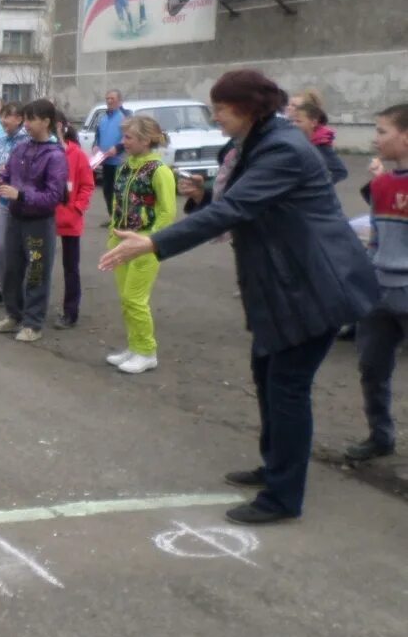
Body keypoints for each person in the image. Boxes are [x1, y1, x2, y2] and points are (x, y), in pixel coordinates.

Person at [100, 70, 378, 525]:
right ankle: (273, 467)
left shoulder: (283, 148)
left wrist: (155, 242)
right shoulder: (260, 141)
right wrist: (204, 194)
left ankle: (284, 496)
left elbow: (238, 208)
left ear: (248, 109)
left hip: (314, 285)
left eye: (221, 111)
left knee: (287, 388)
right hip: (283, 284)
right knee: (268, 375)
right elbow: (239, 200)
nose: (216, 120)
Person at [344, 104, 408, 463]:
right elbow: (377, 237)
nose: (375, 138)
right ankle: (380, 436)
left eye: (383, 131)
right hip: (378, 292)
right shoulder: (381, 185)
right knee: (372, 368)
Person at [0, 98, 68, 342]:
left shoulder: (55, 156)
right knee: (11, 269)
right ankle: (14, 315)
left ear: (46, 122)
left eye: (32, 119)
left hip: (39, 223)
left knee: (36, 273)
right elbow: (8, 175)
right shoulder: (20, 149)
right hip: (15, 217)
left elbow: (54, 196)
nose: (27, 124)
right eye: (26, 118)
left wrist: (20, 194)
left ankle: (33, 323)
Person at [104, 116, 175, 372]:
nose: (124, 142)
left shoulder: (159, 170)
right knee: (126, 299)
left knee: (135, 299)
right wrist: (113, 232)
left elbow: (168, 211)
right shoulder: (124, 167)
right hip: (121, 242)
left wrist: (151, 240)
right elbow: (116, 202)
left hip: (145, 243)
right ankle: (134, 346)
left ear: (146, 140)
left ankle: (147, 351)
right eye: (124, 137)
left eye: (129, 138)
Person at [54, 111, 94, 329]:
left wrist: (77, 208)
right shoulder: (43, 151)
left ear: (60, 125)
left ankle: (71, 311)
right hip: (44, 218)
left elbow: (87, 185)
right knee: (38, 263)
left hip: (70, 220)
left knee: (70, 267)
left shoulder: (76, 154)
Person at [0, 102, 25, 307]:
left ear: (19, 119)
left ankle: (22, 294)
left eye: (7, 116)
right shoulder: (0, 141)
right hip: (1, 201)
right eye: (2, 116)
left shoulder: (27, 141)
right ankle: (4, 288)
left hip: (22, 203)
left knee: (20, 251)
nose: (2, 120)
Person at [94, 89, 130, 220]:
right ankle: (113, 217)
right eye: (107, 99)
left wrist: (117, 147)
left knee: (119, 192)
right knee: (107, 191)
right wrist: (95, 146)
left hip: (120, 162)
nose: (109, 101)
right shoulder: (103, 118)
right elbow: (97, 136)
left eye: (112, 99)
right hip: (105, 161)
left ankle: (123, 219)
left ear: (120, 101)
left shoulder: (124, 117)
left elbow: (128, 136)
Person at [292, 102, 348, 184]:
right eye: (293, 121)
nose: (293, 124)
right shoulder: (299, 140)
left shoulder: (321, 145)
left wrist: (319, 186)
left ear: (313, 123)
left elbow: (340, 171)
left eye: (298, 121)